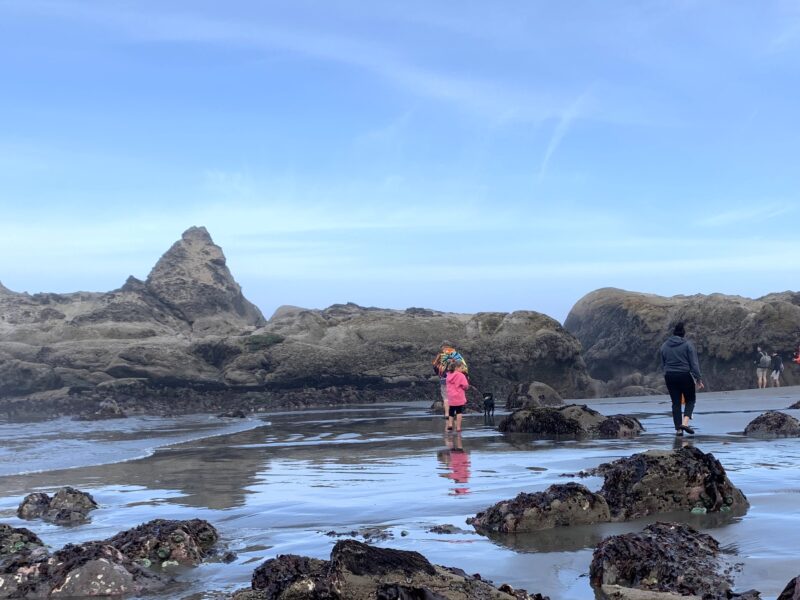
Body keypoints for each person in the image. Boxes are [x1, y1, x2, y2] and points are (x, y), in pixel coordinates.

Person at [660, 322, 704, 436]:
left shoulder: (664, 346)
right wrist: (698, 379)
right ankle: (685, 423)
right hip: (684, 375)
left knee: (676, 403)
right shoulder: (688, 345)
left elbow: (663, 363)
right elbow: (694, 364)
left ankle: (679, 430)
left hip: (670, 376)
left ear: (673, 333)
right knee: (690, 399)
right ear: (683, 333)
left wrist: (667, 373)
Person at [432, 342, 468, 420]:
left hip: (444, 379)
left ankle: (447, 414)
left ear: (442, 348)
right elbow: (464, 367)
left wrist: (439, 374)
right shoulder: (457, 355)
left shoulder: (440, 356)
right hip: (456, 379)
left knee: (446, 398)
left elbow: (435, 366)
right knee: (455, 396)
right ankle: (455, 413)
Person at [445, 360, 470, 432]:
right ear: (456, 368)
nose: (462, 370)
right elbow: (465, 385)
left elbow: (447, 385)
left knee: (451, 410)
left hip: (451, 396)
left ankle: (450, 424)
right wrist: (465, 388)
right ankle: (458, 427)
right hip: (459, 395)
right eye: (461, 368)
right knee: (459, 411)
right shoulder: (461, 375)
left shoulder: (448, 375)